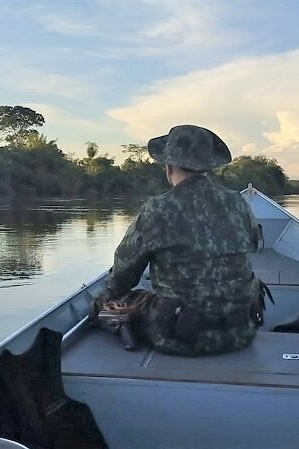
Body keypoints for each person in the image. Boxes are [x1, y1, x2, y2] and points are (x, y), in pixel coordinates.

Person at [94, 124, 265, 356]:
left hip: (179, 339)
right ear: (208, 166)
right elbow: (254, 245)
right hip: (241, 332)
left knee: (108, 299)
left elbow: (124, 275)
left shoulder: (157, 209)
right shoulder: (239, 203)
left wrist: (109, 294)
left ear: (168, 167)